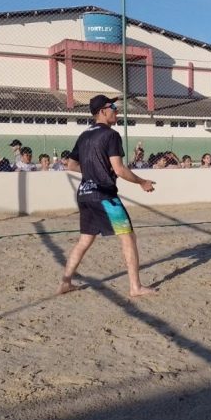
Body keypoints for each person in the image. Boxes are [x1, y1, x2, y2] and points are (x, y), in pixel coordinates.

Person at [60, 94, 157, 298]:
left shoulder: (84, 135)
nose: (117, 109)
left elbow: (71, 165)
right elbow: (120, 170)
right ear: (103, 111)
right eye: (113, 106)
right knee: (128, 237)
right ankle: (135, 287)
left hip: (85, 194)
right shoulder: (111, 135)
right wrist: (142, 182)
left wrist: (93, 171)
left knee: (85, 240)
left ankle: (65, 282)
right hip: (105, 196)